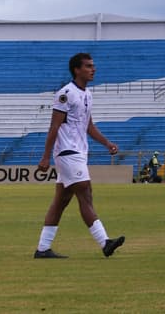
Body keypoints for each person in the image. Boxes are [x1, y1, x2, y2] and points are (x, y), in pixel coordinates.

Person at [34, 52, 125, 259]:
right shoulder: (66, 94)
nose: (93, 69)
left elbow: (88, 126)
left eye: (93, 66)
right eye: (88, 66)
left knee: (61, 201)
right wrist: (45, 156)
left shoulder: (87, 94)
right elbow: (54, 127)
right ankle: (105, 242)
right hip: (67, 152)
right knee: (85, 192)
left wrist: (106, 143)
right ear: (77, 70)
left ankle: (42, 249)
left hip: (79, 152)